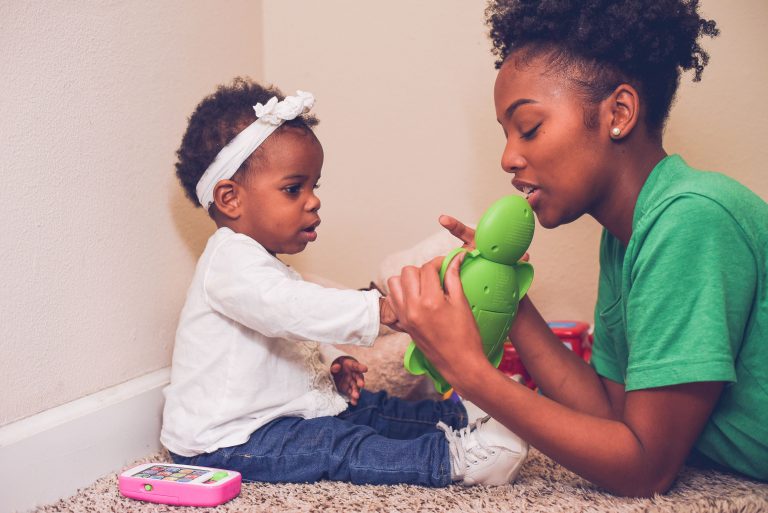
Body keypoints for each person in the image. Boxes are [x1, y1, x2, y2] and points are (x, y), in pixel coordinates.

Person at [385, 0, 767, 497]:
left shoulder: (690, 219)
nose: (507, 157)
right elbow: (611, 412)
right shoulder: (626, 235)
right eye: (506, 134)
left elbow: (645, 468)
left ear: (619, 113)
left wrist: (470, 372)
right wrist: (511, 302)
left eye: (529, 128)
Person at [160, 78, 529, 487]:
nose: (313, 200)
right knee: (335, 443)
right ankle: (451, 460)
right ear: (230, 198)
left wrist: (332, 357)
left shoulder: (260, 263)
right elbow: (290, 308)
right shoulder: (228, 260)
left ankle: (460, 418)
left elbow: (287, 328)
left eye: (313, 186)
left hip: (280, 416)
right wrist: (383, 308)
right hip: (228, 440)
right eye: (293, 188)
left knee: (368, 409)